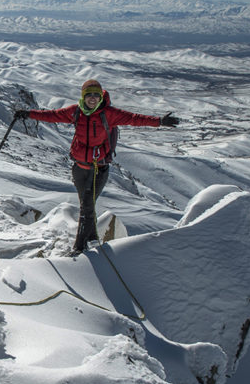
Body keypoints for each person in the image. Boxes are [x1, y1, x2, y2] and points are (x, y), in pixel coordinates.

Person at [15, 79, 179, 255]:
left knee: (86, 205)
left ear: (101, 96)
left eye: (96, 95)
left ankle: (79, 248)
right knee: (87, 205)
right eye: (89, 94)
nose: (93, 98)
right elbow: (52, 115)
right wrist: (28, 114)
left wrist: (160, 121)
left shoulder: (108, 113)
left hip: (98, 169)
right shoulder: (75, 112)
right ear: (83, 96)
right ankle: (93, 238)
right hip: (79, 168)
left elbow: (134, 119)